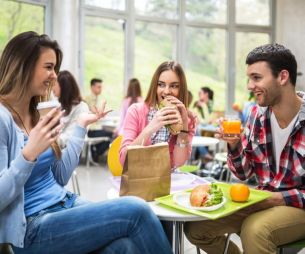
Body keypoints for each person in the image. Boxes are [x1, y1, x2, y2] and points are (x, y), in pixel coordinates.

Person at [0, 31, 172, 254]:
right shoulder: (3, 118)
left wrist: (80, 126)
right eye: (49, 67)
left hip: (65, 204)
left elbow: (60, 176)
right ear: (24, 65)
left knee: (126, 247)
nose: (55, 75)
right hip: (31, 228)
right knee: (137, 209)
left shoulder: (38, 113)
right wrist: (28, 154)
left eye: (55, 68)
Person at [184, 43, 305, 254]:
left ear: (283, 77)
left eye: (256, 78)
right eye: (249, 78)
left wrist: (278, 198)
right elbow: (244, 173)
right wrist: (234, 145)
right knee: (196, 227)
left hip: (297, 206)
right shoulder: (256, 115)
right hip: (262, 199)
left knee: (254, 230)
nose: (249, 86)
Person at [119, 61, 196, 244]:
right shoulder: (137, 111)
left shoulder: (187, 117)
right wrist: (150, 128)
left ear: (182, 89)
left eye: (174, 86)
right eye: (161, 84)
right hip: (138, 186)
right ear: (155, 85)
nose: (166, 91)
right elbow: (123, 159)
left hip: (166, 187)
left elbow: (178, 163)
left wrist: (184, 125)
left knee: (167, 228)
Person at [52, 70, 90, 148]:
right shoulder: (59, 105)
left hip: (69, 151)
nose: (52, 86)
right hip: (57, 148)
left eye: (54, 83)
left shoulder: (81, 107)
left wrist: (50, 142)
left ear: (64, 86)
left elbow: (72, 135)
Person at [84, 78, 113, 163]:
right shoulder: (87, 99)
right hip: (91, 130)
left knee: (112, 135)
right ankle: (96, 151)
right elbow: (95, 113)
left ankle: (95, 150)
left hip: (97, 128)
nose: (100, 89)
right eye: (98, 87)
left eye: (101, 87)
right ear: (92, 87)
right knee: (113, 134)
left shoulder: (98, 99)